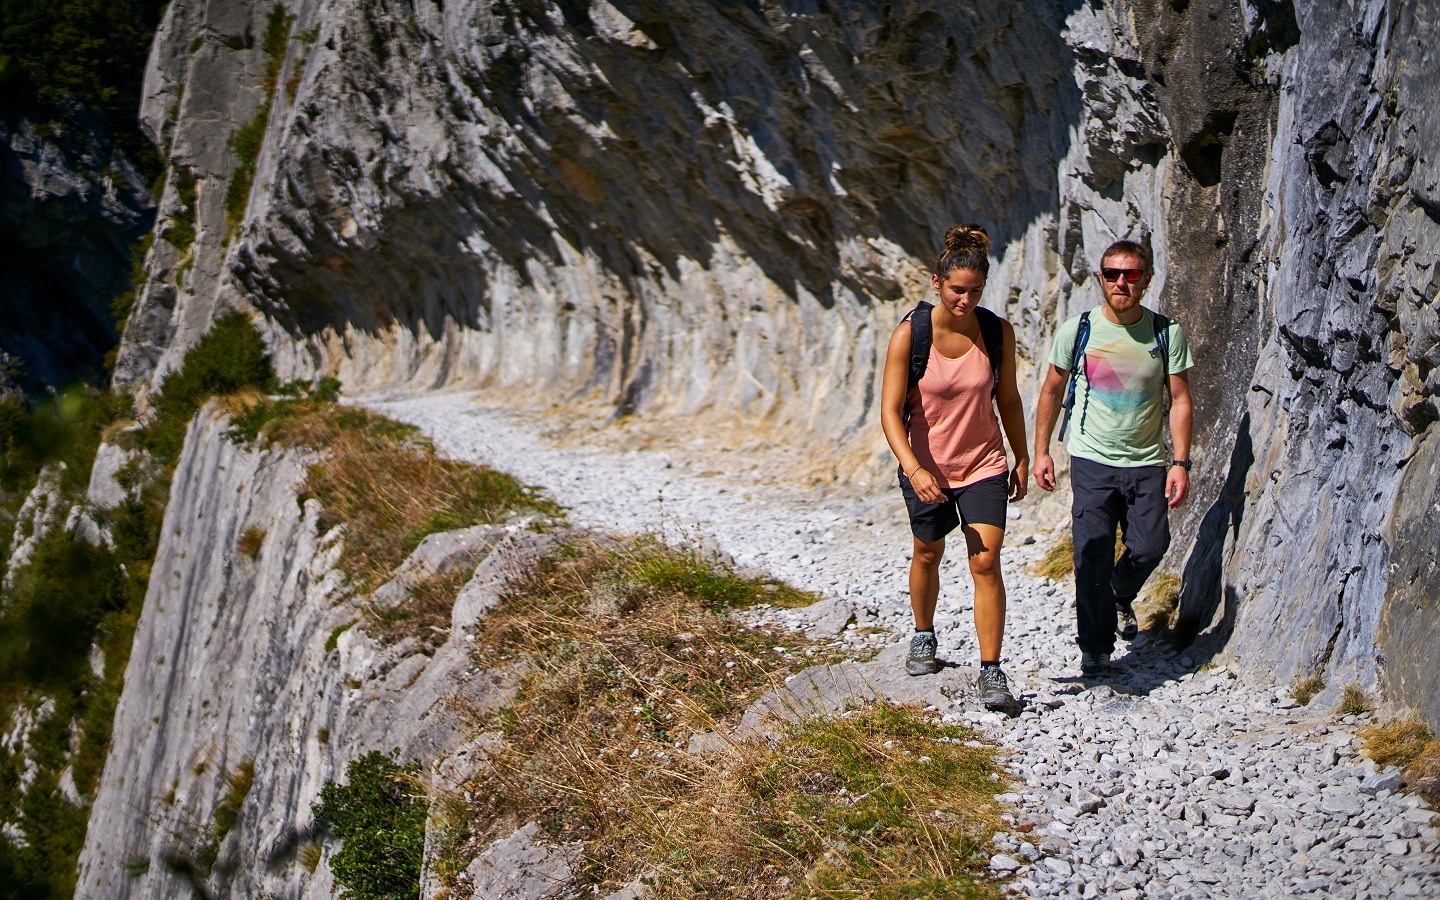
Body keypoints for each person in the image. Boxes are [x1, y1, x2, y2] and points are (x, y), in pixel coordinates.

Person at [880, 224, 1030, 712]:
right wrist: (913, 469)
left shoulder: (995, 331)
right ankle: (923, 634)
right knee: (928, 551)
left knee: (985, 560)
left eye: (976, 291)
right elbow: (887, 411)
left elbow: (1006, 398)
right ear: (936, 283)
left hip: (983, 462)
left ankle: (991, 670)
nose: (965, 300)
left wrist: (1022, 455)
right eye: (957, 290)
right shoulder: (911, 334)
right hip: (927, 466)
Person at [1032, 239, 1194, 677]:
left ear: (1145, 279)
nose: (1121, 282)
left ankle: (1120, 593)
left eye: (1131, 274)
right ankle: (1096, 650)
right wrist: (1041, 452)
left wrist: (1180, 462)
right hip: (1091, 460)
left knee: (1151, 545)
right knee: (1091, 554)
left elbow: (1179, 400)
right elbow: (1051, 389)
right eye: (1112, 274)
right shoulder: (1078, 329)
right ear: (1100, 278)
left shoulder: (1166, 332)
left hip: (1146, 462)